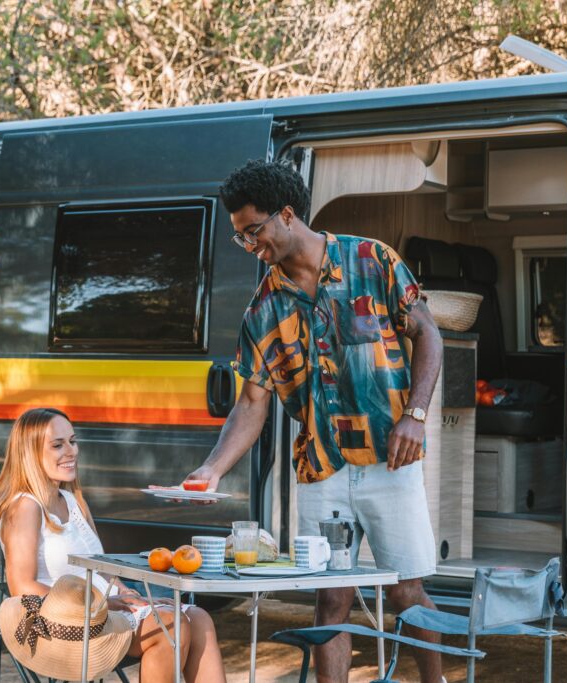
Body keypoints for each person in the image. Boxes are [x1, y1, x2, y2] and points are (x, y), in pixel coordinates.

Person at [184, 160, 445, 683]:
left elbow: (429, 335)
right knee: (331, 598)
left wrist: (416, 414)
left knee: (406, 591)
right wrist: (213, 469)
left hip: (389, 463)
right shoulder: (263, 309)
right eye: (240, 237)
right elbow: (251, 403)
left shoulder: (372, 260)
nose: (250, 244)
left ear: (286, 215)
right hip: (321, 470)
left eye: (253, 231)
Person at [0, 407, 226, 683]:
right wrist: (103, 604)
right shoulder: (25, 507)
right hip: (58, 622)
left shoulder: (71, 500)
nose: (71, 451)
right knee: (171, 627)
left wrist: (131, 596)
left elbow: (100, 568)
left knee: (198, 618)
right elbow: (21, 587)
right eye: (57, 445)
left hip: (102, 612)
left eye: (73, 441)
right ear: (29, 453)